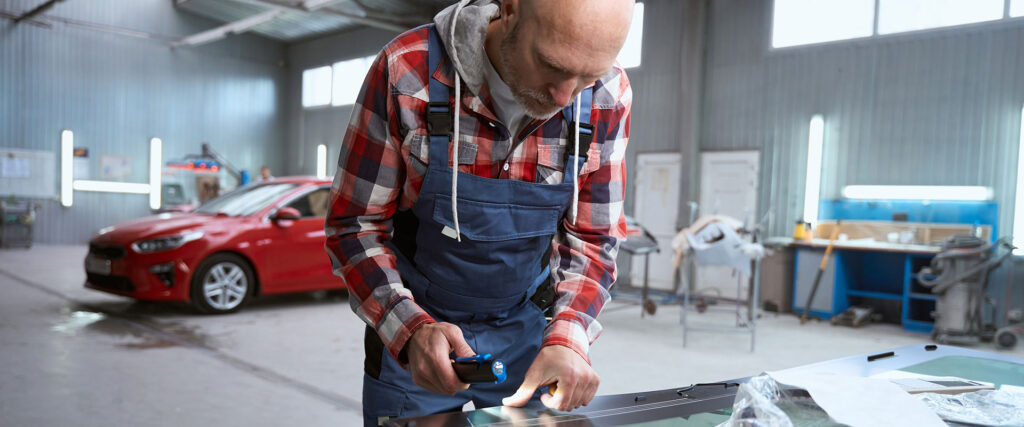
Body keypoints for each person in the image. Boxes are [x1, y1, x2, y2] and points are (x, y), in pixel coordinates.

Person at [324, 0, 633, 424]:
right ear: (509, 8)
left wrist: (569, 337)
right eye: (551, 64)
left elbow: (595, 240)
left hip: (531, 335)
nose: (564, 96)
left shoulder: (608, 95)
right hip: (417, 331)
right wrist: (408, 329)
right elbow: (354, 226)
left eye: (588, 76)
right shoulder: (407, 71)